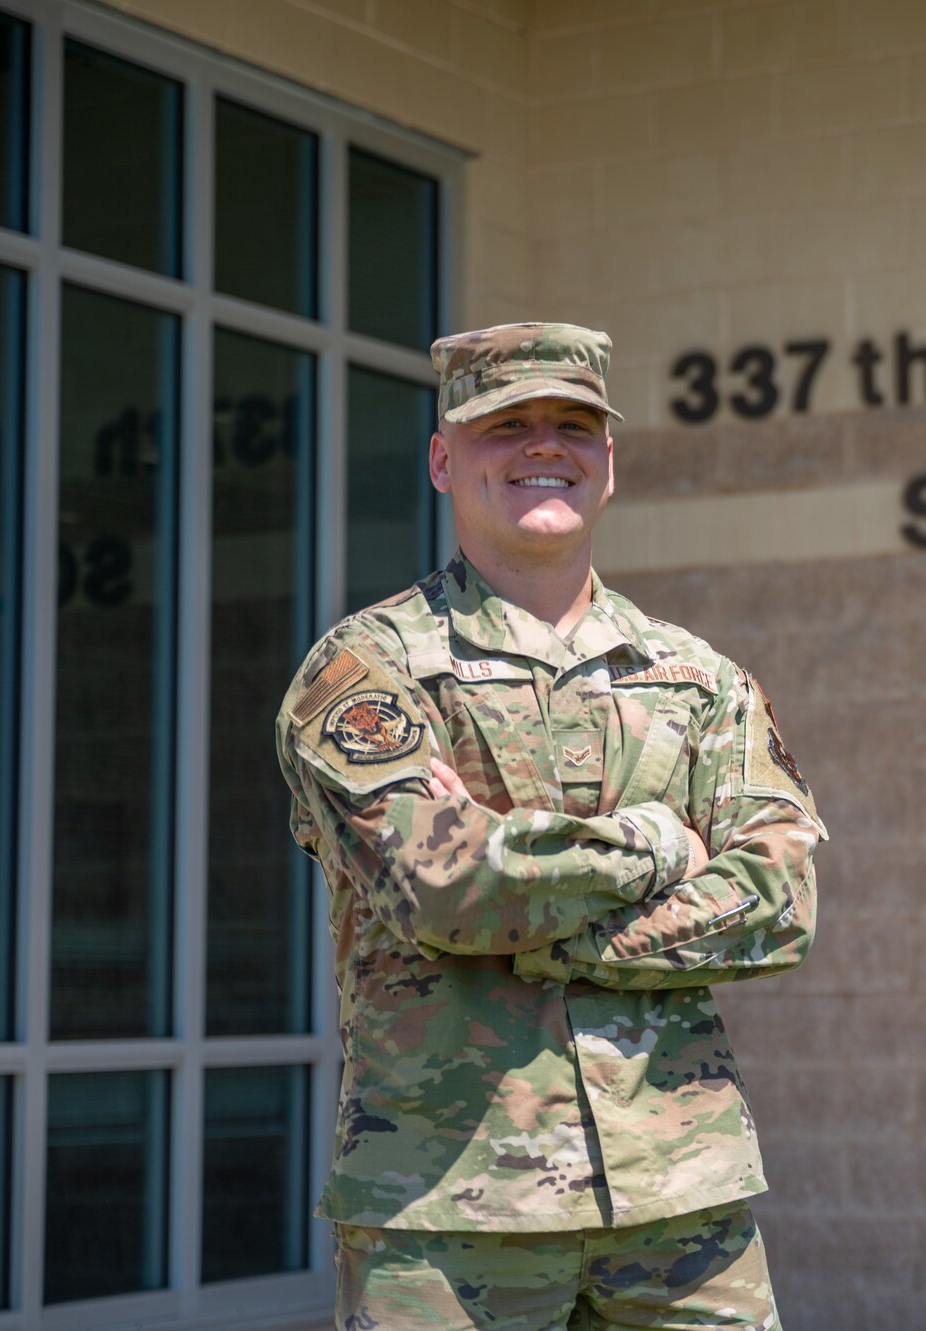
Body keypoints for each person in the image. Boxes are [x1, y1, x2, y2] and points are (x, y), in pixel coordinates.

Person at [275, 322, 823, 1330]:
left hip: (680, 1204)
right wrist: (662, 844)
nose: (542, 445)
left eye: (572, 423)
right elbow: (440, 884)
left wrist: (524, 897)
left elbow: (779, 899)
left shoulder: (695, 678)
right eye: (504, 423)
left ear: (608, 462)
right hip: (448, 1206)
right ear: (444, 458)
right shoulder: (365, 671)